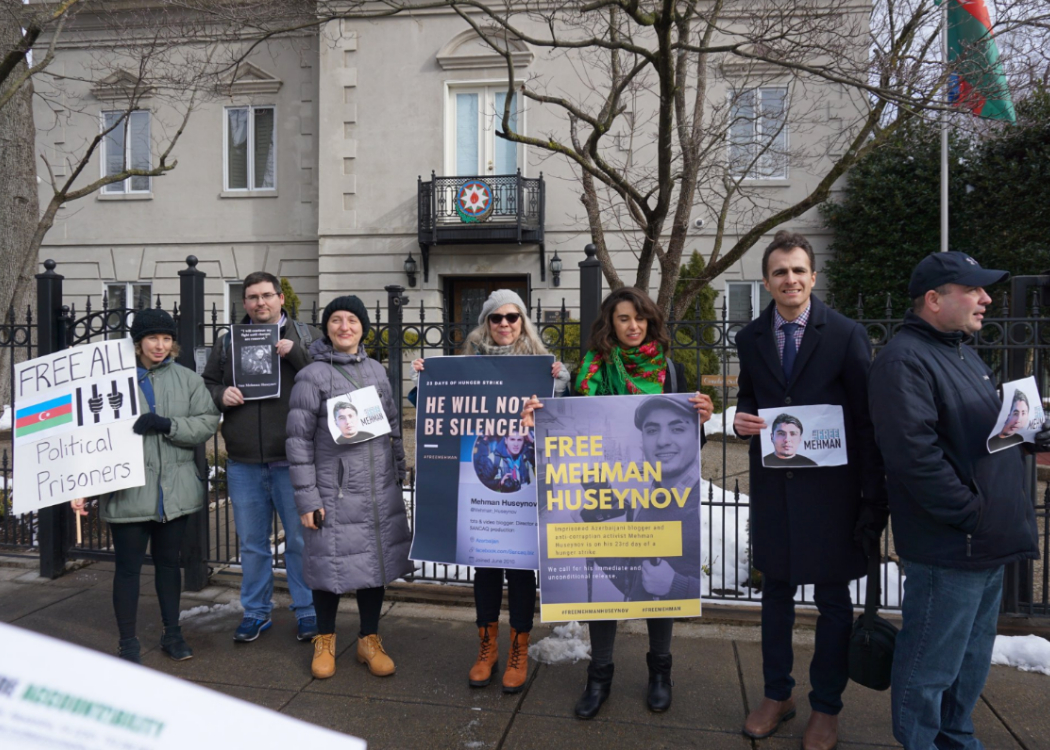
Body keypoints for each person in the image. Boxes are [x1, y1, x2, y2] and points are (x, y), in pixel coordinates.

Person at [868, 252, 1041, 750]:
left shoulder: (961, 350)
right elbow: (913, 458)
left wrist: (1029, 430)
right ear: (934, 299)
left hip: (985, 541)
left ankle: (956, 737)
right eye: (975, 290)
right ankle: (923, 742)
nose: (986, 299)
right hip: (954, 545)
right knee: (930, 664)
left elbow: (976, 433)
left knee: (969, 659)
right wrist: (972, 515)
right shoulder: (903, 360)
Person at [523, 286, 713, 719]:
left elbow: (690, 444)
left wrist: (700, 417)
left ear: (650, 322)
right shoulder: (590, 371)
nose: (633, 326)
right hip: (605, 492)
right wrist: (540, 416)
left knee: (661, 582)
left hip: (663, 497)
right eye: (623, 318)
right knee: (606, 593)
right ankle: (600, 675)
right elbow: (567, 434)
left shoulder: (671, 371)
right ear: (610, 324)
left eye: (640, 318)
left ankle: (660, 672)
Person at [733, 230, 886, 750]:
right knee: (774, 595)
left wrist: (872, 497)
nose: (790, 279)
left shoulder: (845, 334)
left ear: (813, 276)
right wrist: (741, 422)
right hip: (775, 491)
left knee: (832, 600)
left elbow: (865, 421)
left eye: (798, 270)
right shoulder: (750, 337)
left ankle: (826, 705)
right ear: (767, 281)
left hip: (832, 496)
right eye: (780, 271)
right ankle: (778, 694)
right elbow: (749, 401)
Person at [411, 289, 570, 694]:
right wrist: (423, 378)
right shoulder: (464, 367)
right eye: (496, 318)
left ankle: (519, 647)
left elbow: (569, 422)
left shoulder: (545, 370)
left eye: (512, 317)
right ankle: (487, 649)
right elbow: (431, 408)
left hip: (524, 485)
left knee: (519, 570)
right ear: (485, 322)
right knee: (485, 568)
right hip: (483, 481)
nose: (504, 324)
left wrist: (559, 387)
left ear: (523, 322)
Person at [72, 308, 220, 663]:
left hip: (174, 492)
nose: (160, 346)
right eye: (153, 338)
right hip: (128, 491)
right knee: (127, 569)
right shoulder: (111, 382)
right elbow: (87, 434)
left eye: (167, 339)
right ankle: (128, 642)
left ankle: (173, 634)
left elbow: (206, 423)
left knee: (169, 566)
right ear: (137, 342)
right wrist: (81, 486)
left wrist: (167, 424)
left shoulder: (187, 380)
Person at [286, 295, 411, 680]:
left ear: (362, 328)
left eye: (352, 320)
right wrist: (308, 497)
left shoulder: (375, 370)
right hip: (334, 492)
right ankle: (324, 639)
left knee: (375, 565)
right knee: (329, 566)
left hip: (377, 490)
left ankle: (368, 639)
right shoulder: (312, 375)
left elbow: (391, 425)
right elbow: (297, 440)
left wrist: (399, 472)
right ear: (326, 328)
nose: (344, 327)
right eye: (336, 320)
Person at [202, 271, 321, 644]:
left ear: (281, 298)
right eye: (252, 297)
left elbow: (327, 380)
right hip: (244, 462)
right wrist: (222, 395)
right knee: (252, 544)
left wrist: (296, 353)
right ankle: (255, 612)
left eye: (267, 295)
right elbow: (206, 383)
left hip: (292, 461)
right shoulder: (227, 343)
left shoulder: (307, 336)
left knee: (301, 542)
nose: (260, 303)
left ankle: (308, 611)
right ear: (244, 303)